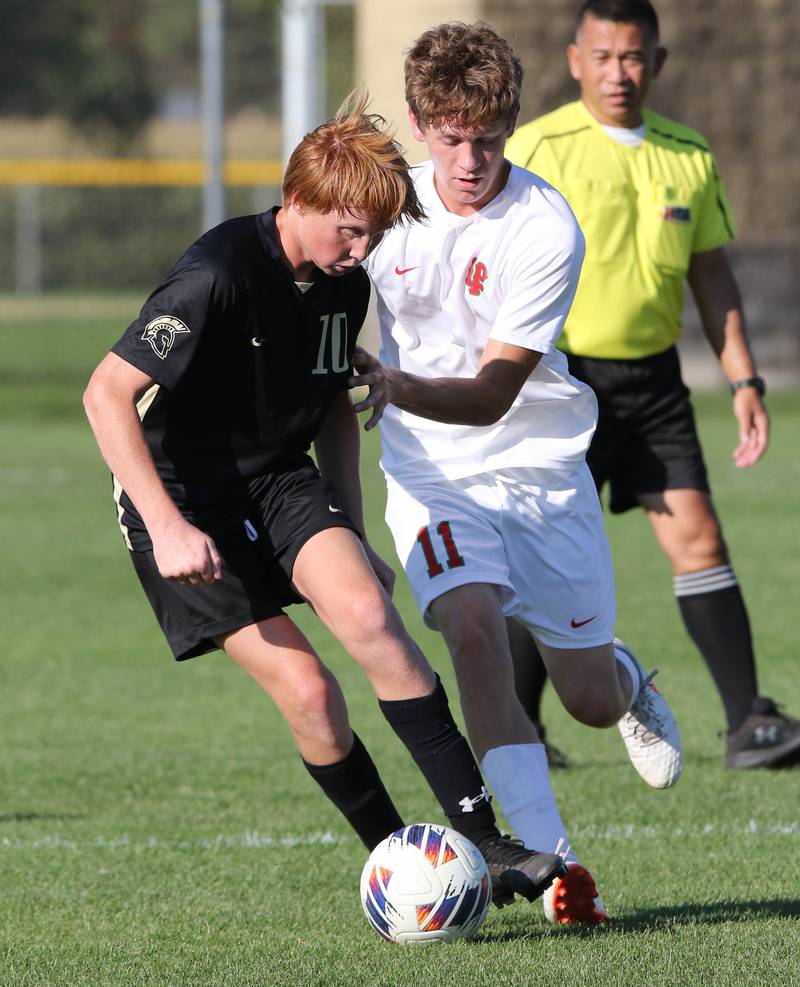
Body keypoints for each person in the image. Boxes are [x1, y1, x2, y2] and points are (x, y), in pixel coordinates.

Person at [82, 94, 569, 908]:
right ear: (298, 201)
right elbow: (106, 395)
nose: (363, 248)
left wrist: (345, 518)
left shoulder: (343, 283)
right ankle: (403, 868)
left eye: (375, 234)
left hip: (277, 476)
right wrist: (165, 525)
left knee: (374, 619)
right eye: (349, 230)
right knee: (310, 691)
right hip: (178, 493)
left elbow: (334, 404)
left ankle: (484, 837)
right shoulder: (217, 275)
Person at [351, 22, 682, 926]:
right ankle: (558, 868)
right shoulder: (386, 211)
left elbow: (496, 391)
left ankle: (626, 680)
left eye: (488, 139)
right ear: (422, 126)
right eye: (452, 139)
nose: (470, 160)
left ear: (511, 124)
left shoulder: (544, 224)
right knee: (470, 628)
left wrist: (390, 381)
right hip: (432, 469)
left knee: (582, 699)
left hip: (536, 467)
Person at [505, 0, 800, 771]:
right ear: (574, 61)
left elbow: (713, 276)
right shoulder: (536, 148)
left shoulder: (689, 156)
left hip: (655, 383)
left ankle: (748, 724)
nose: (618, 73)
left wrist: (744, 378)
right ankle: (515, 728)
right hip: (561, 380)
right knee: (543, 557)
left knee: (700, 535)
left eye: (633, 57)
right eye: (602, 56)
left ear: (658, 63)